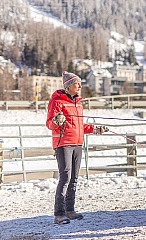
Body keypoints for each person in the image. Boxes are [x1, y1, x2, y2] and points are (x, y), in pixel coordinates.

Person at [46, 71, 109, 224]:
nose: (80, 86)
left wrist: (95, 129)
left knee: (74, 178)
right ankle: (59, 214)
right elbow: (50, 124)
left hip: (78, 144)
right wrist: (57, 120)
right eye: (77, 83)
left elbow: (80, 126)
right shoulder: (57, 102)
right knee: (65, 178)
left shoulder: (78, 104)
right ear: (68, 86)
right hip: (64, 144)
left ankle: (70, 210)